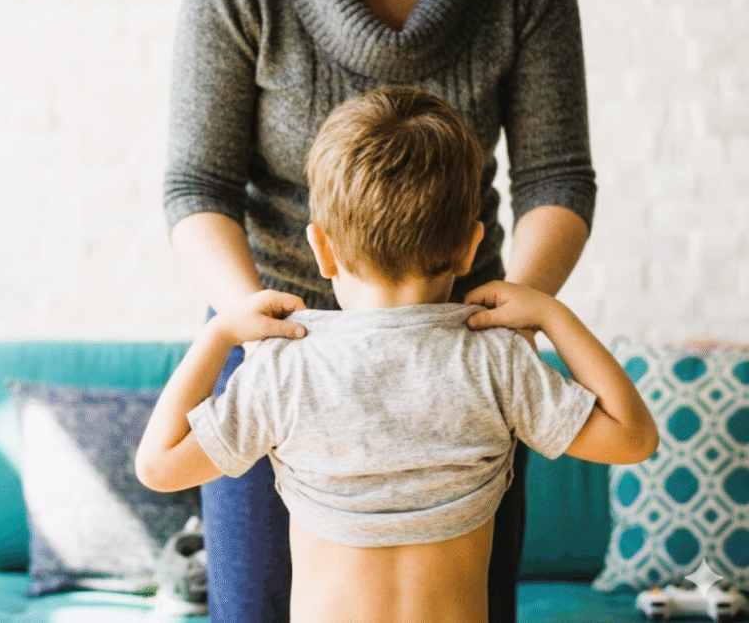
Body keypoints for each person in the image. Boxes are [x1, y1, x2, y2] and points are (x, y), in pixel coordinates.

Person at [163, 0, 597, 620]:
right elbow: (197, 187)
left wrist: (522, 316)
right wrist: (240, 330)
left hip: (463, 343)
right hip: (277, 343)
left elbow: (556, 177)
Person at [142, 87, 657, 623]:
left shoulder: (285, 368)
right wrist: (552, 314)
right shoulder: (496, 362)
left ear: (322, 249)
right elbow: (634, 437)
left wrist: (219, 334)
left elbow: (158, 467)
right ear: (470, 245)